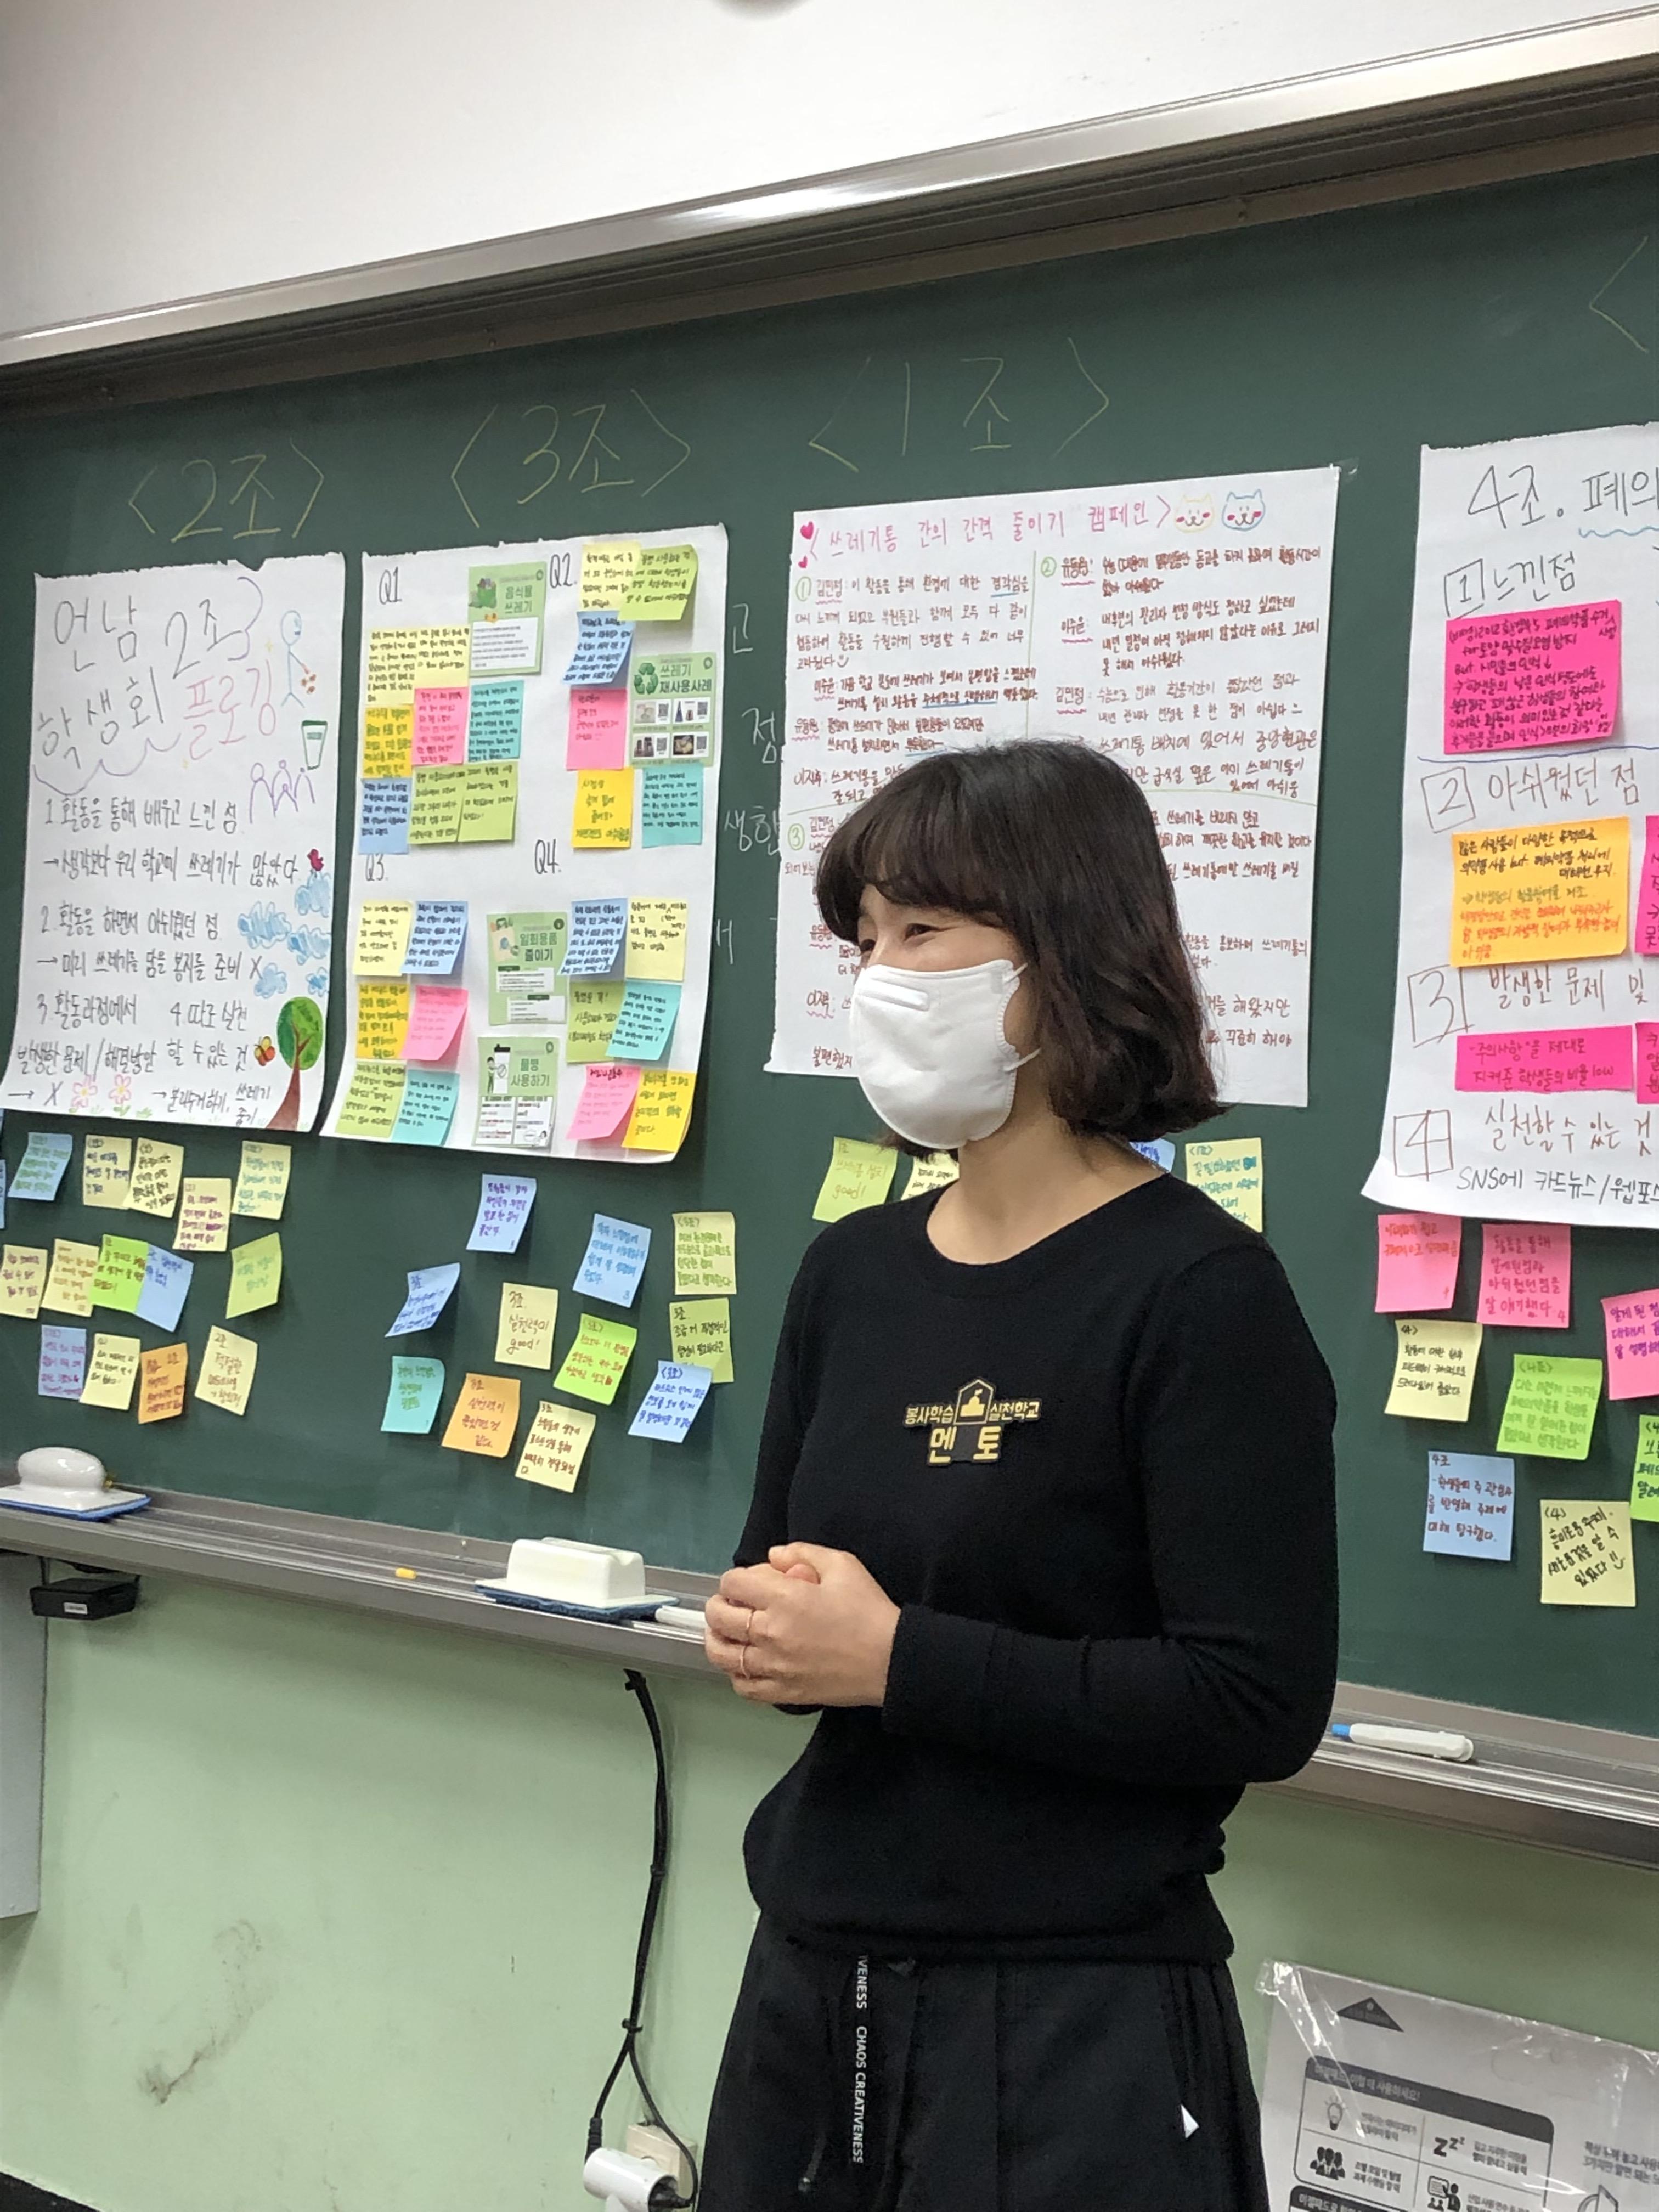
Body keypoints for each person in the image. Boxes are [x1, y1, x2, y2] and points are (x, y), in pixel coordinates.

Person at [699, 740, 1338, 2211]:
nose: (880, 977)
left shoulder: (1201, 1295)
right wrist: (774, 1632)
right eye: (865, 939)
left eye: (922, 931)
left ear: (1063, 957)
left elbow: (1254, 1700)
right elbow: (783, 1586)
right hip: (817, 1981)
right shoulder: (850, 1274)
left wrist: (899, 1659)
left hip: (1076, 2024)